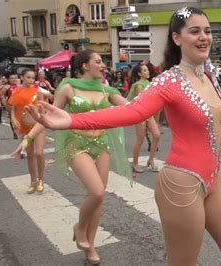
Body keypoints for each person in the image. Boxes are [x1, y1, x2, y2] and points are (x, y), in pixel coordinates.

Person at [26, 7, 221, 265]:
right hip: (182, 183)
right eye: (195, 31)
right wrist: (71, 120)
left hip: (215, 178)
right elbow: (132, 112)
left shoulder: (210, 78)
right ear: (177, 38)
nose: (204, 37)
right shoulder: (169, 81)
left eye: (207, 31)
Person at [11, 50, 131, 264]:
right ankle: (80, 228)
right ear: (85, 65)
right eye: (98, 61)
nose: (103, 65)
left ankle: (90, 245)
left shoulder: (107, 89)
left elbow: (134, 109)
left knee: (99, 199)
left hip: (101, 144)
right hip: (77, 144)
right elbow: (48, 117)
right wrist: (26, 140)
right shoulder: (69, 87)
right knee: (95, 192)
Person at [8, 69, 47, 193]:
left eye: (32, 77)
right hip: (24, 126)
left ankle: (41, 180)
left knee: (39, 153)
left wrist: (44, 117)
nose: (31, 80)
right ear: (22, 77)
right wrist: (14, 119)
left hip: (38, 125)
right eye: (28, 77)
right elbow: (12, 108)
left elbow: (43, 106)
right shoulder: (16, 91)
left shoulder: (37, 91)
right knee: (30, 154)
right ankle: (33, 181)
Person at [127, 63, 160, 173]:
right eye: (145, 70)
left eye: (147, 70)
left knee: (156, 135)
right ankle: (135, 163)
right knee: (140, 140)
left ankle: (151, 160)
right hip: (140, 114)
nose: (148, 72)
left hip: (149, 114)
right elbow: (141, 101)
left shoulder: (150, 83)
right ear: (139, 73)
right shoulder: (139, 85)